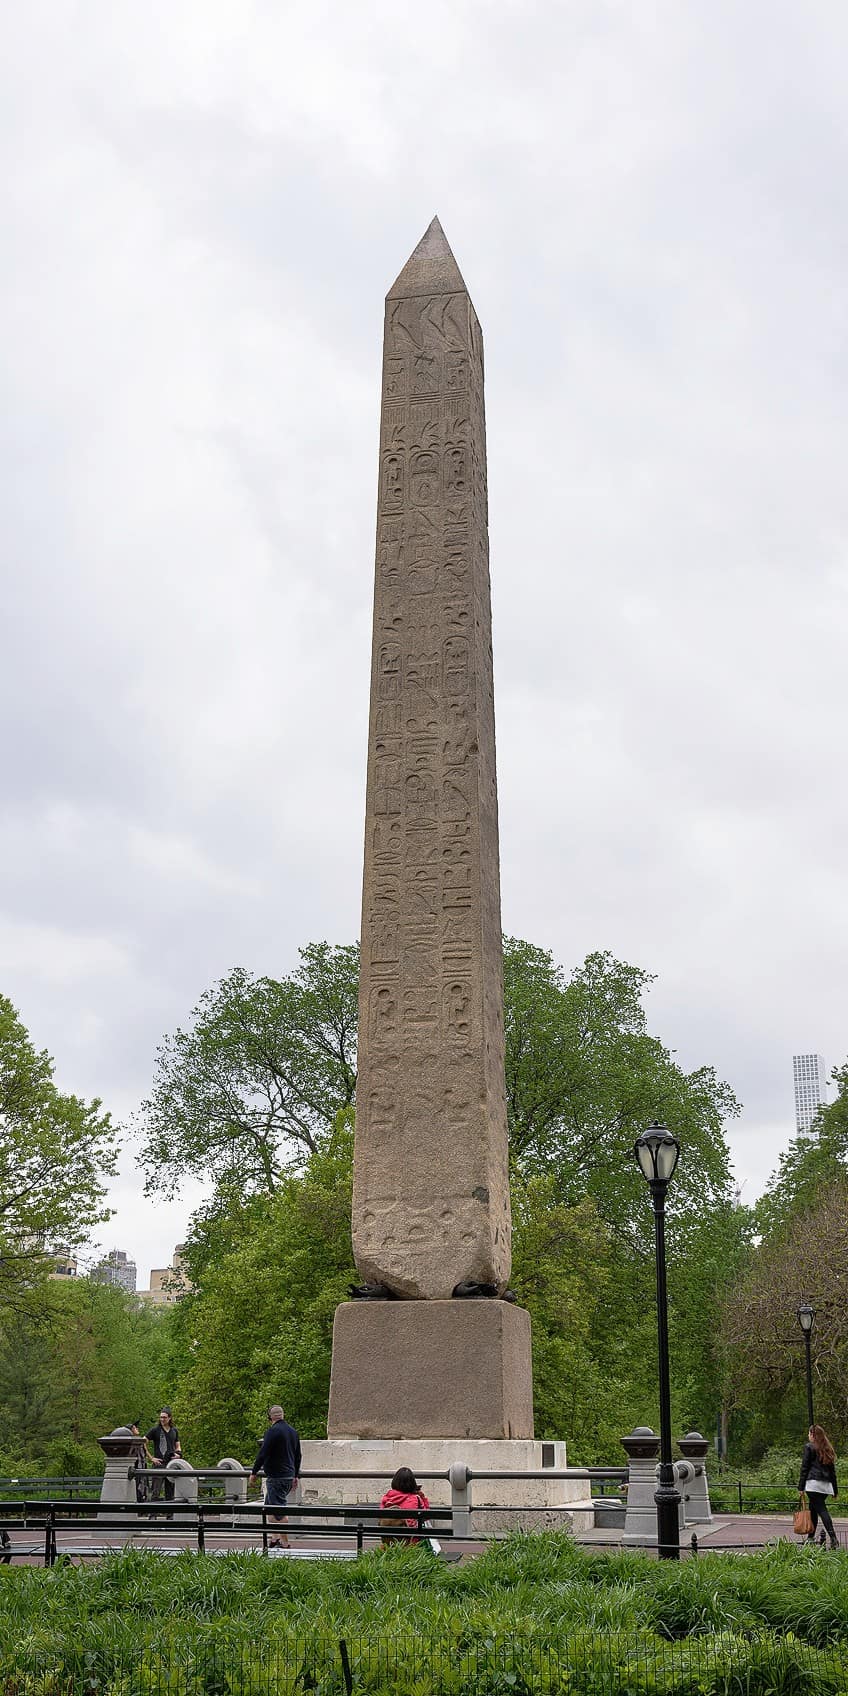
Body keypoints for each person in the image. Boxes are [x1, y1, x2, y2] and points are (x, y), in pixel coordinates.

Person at [249, 1405, 301, 1549]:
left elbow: (263, 1453)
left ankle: (285, 1543)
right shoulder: (293, 1432)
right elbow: (298, 1456)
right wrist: (295, 1475)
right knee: (270, 1509)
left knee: (279, 1513)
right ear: (282, 1415)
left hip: (276, 1477)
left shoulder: (272, 1432)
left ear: (270, 1417)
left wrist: (254, 1472)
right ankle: (274, 1538)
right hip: (288, 1476)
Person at [799, 1423, 839, 1549]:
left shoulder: (809, 1447)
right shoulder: (827, 1448)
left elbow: (804, 1468)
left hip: (813, 1484)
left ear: (813, 1434)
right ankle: (810, 1538)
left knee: (821, 1510)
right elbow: (832, 1472)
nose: (808, 1435)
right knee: (813, 1510)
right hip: (826, 1486)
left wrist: (800, 1487)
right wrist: (835, 1490)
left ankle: (833, 1539)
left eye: (809, 1433)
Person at [379, 1467, 430, 1546]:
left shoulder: (388, 1497)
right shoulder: (416, 1498)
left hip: (388, 1541)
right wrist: (423, 1497)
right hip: (410, 1541)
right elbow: (427, 1516)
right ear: (412, 1483)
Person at [145, 1407, 182, 1503]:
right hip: (159, 1464)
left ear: (169, 1418)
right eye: (161, 1417)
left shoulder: (174, 1431)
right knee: (155, 1491)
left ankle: (170, 1516)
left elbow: (178, 1446)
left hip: (171, 1464)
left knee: (170, 1492)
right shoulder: (155, 1430)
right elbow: (142, 1442)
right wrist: (151, 1458)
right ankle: (152, 1515)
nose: (162, 1419)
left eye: (164, 1417)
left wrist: (178, 1455)